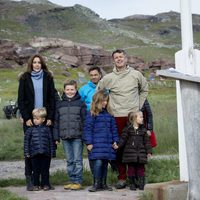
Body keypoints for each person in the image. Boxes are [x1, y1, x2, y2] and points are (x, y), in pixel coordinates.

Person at [97, 49, 148, 189]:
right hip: (117, 116)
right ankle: (122, 177)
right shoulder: (108, 78)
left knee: (135, 147)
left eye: (121, 57)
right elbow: (99, 91)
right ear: (113, 60)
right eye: (116, 57)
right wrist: (107, 107)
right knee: (119, 147)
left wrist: (138, 105)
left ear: (126, 58)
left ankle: (137, 177)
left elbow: (144, 89)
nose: (119, 59)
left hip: (132, 116)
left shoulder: (136, 75)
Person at [18, 54, 56, 191]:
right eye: (34, 62)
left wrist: (50, 117)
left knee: (45, 150)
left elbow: (52, 98)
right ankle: (30, 180)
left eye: (39, 62)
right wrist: (27, 118)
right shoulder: (24, 78)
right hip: (30, 120)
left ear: (42, 64)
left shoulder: (48, 77)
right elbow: (21, 100)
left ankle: (45, 181)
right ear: (31, 64)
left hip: (45, 119)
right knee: (31, 150)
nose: (37, 64)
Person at [83, 90, 119, 192]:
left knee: (104, 164)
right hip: (96, 145)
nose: (105, 103)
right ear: (97, 101)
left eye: (106, 101)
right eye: (103, 101)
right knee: (97, 164)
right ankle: (96, 184)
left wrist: (115, 141)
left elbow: (114, 129)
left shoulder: (109, 115)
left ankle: (103, 184)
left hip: (107, 144)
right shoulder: (92, 114)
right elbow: (87, 129)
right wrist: (89, 142)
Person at [53, 80, 86, 190]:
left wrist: (84, 136)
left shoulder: (81, 103)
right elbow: (56, 122)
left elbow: (84, 120)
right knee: (69, 160)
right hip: (65, 137)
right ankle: (72, 180)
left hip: (77, 136)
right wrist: (56, 136)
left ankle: (78, 181)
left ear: (76, 90)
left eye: (72, 89)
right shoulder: (60, 104)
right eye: (67, 89)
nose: (70, 91)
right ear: (64, 90)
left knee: (77, 160)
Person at [113, 111, 152, 190]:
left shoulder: (143, 130)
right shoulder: (127, 129)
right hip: (130, 155)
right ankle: (132, 183)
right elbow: (123, 139)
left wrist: (149, 152)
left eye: (142, 117)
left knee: (141, 169)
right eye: (140, 117)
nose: (142, 118)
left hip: (140, 154)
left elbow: (147, 142)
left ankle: (141, 183)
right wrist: (118, 145)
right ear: (134, 119)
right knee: (131, 169)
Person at [24, 108, 56, 191]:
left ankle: (45, 184)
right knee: (36, 170)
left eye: (37, 119)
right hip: (34, 154)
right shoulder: (30, 130)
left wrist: (52, 152)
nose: (35, 120)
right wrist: (27, 152)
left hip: (46, 154)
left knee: (45, 170)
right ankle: (36, 184)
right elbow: (26, 142)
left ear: (43, 119)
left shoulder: (47, 129)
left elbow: (51, 142)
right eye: (34, 118)